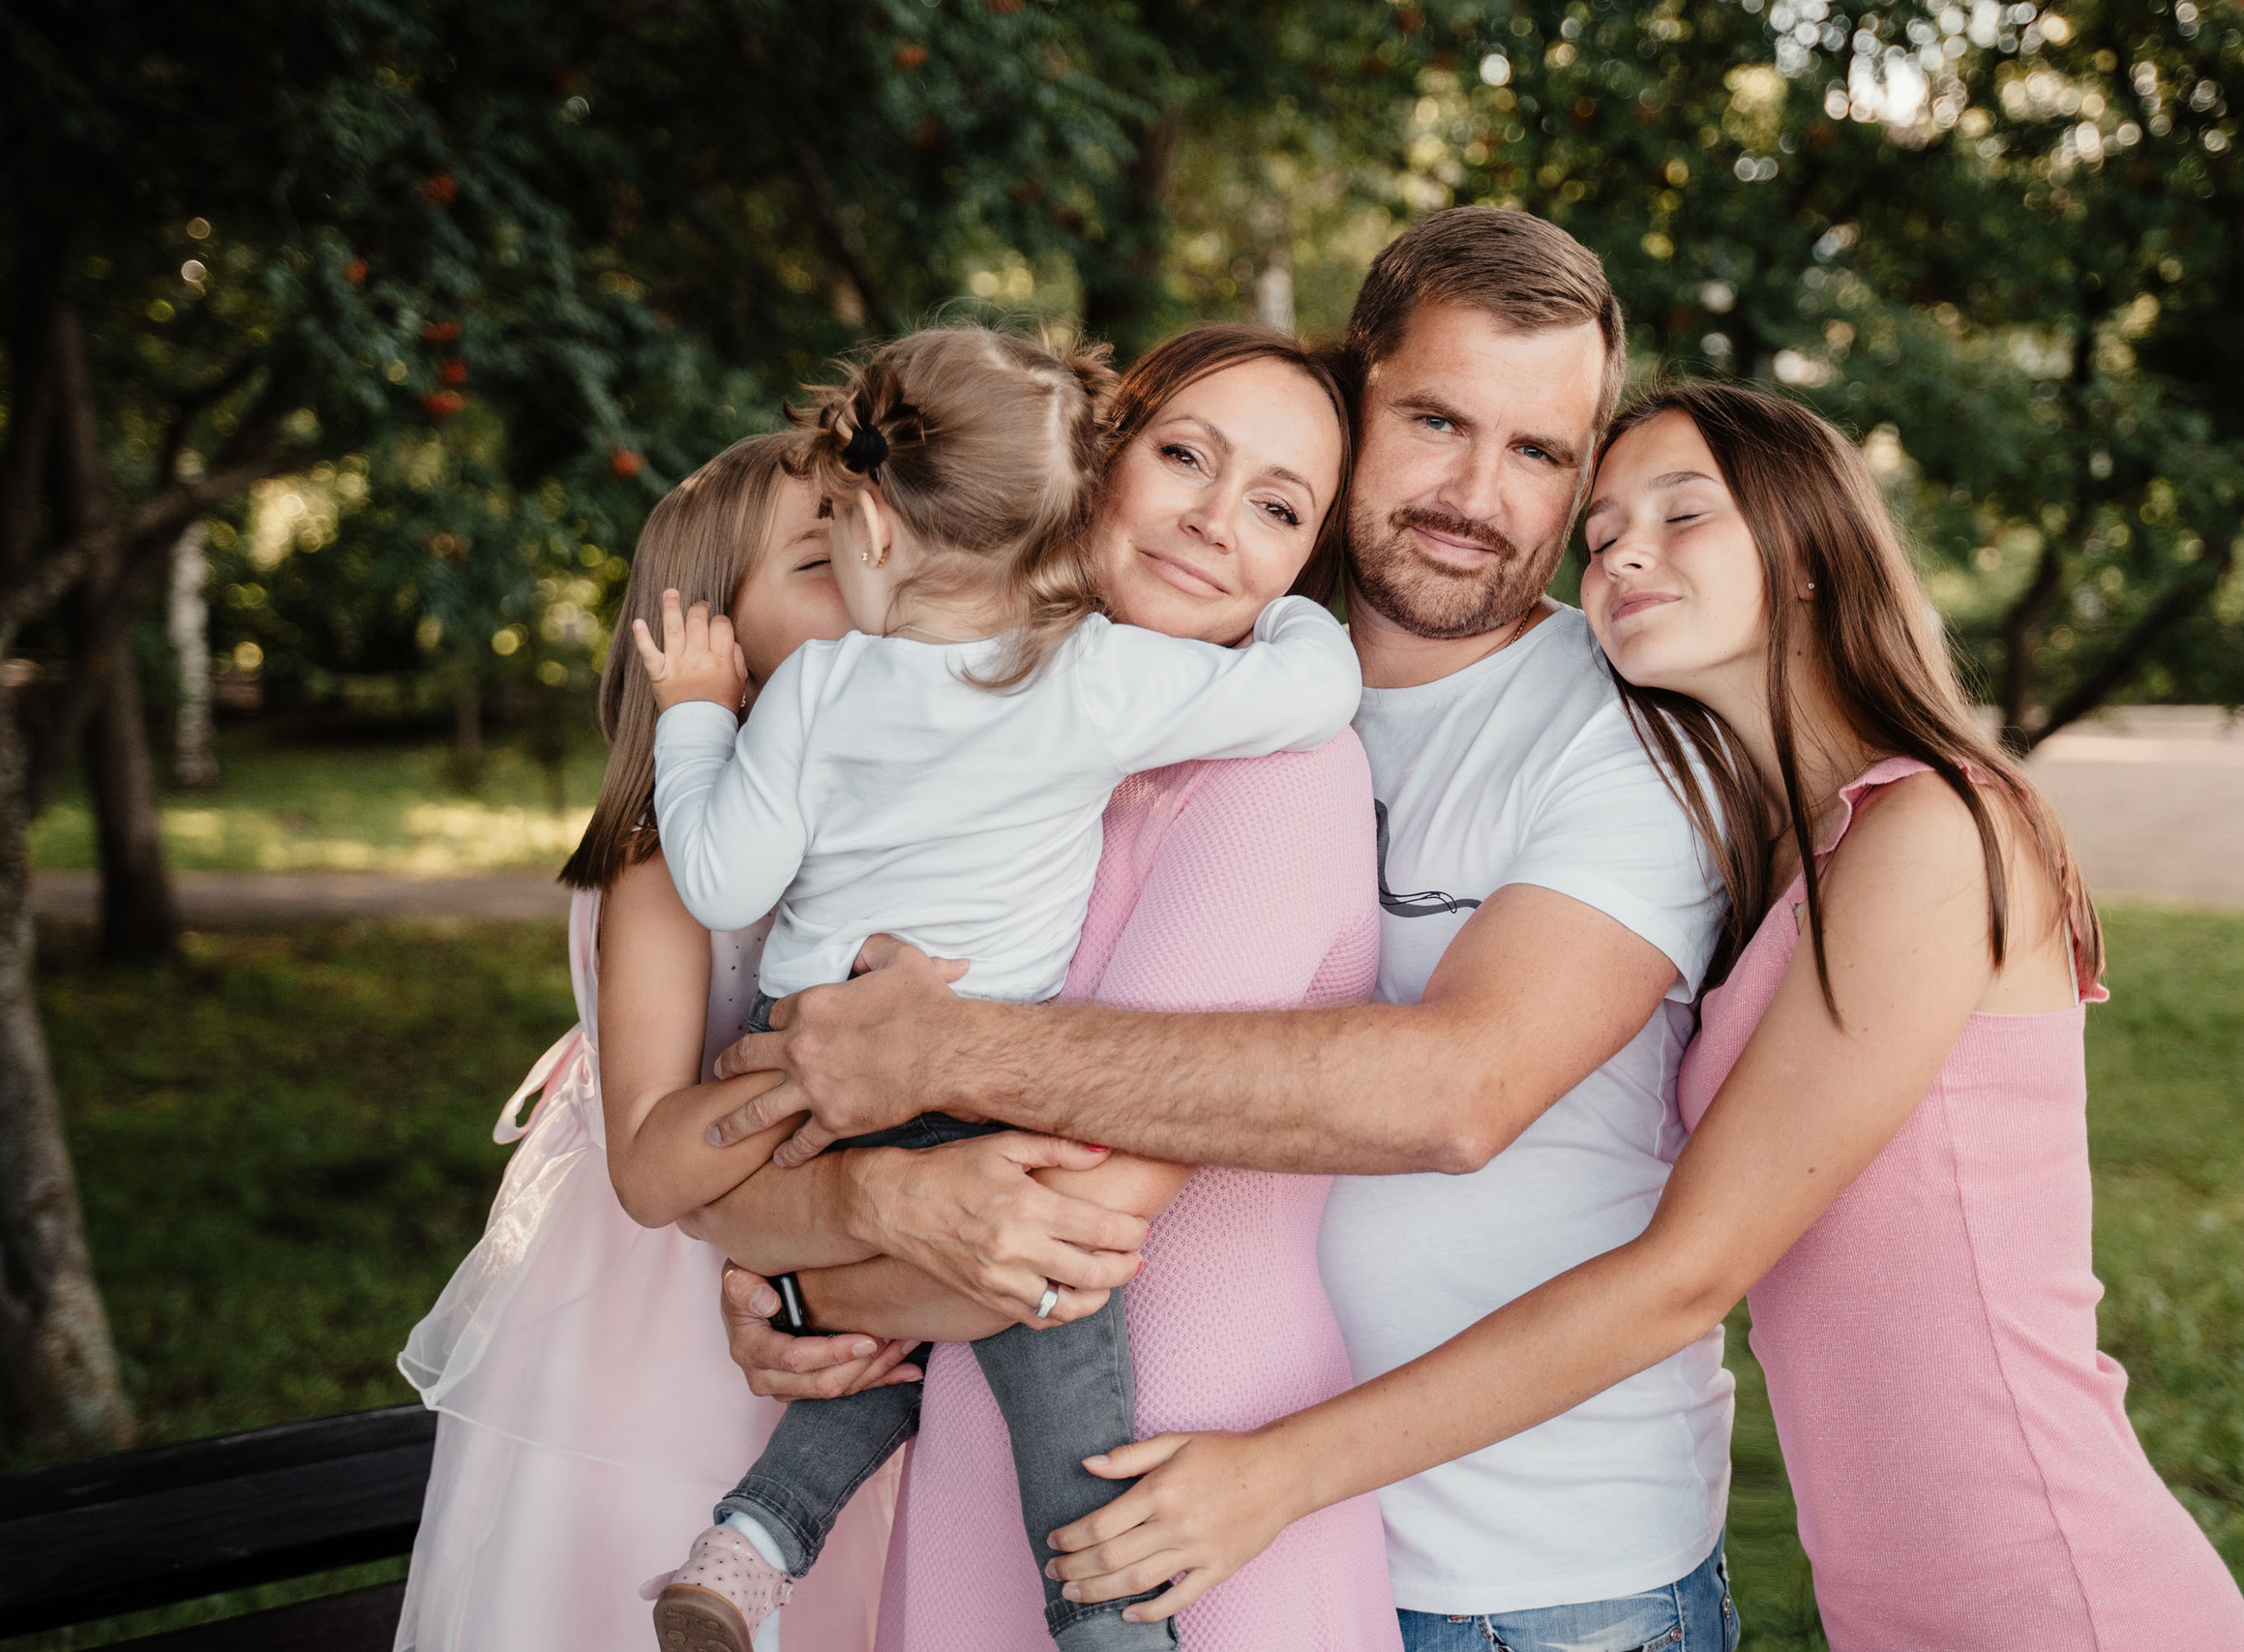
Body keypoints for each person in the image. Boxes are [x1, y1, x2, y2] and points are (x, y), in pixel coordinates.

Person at [1030, 381, 2244, 1652]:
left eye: (1684, 514)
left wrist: (1274, 1473)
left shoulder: (1938, 829)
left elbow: (1688, 1274)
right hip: (1895, 1597)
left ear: (1806, 556)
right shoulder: (1783, 851)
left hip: (2056, 1579)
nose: (1624, 551)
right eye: (1604, 525)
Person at [697, 208, 1743, 1652]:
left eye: (1541, 452)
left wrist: (927, 1068)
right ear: (1351, 396)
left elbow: (1454, 1094)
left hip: (1525, 1567)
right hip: (1154, 1471)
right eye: (1436, 419)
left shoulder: (1615, 736)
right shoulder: (1128, 704)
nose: (1476, 491)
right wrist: (816, 1272)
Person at [630, 322, 1362, 1652]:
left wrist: (801, 1281)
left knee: (1039, 1302)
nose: (1213, 523)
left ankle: (767, 1537)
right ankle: (1074, 1614)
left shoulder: (827, 686)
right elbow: (1316, 679)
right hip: (972, 1428)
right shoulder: (1100, 685)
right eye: (1185, 455)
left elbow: (1051, 1227)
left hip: (1190, 1453)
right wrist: (1312, 615)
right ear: (1089, 477)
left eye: (1281, 509)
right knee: (1038, 1342)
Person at [394, 430, 915, 1652]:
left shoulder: (876, 811)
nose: (877, 580)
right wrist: (831, 1060)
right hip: (660, 1335)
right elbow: (647, 1165)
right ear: (707, 640)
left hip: (821, 1284)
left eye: (878, 545)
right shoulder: (668, 859)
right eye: (818, 561)